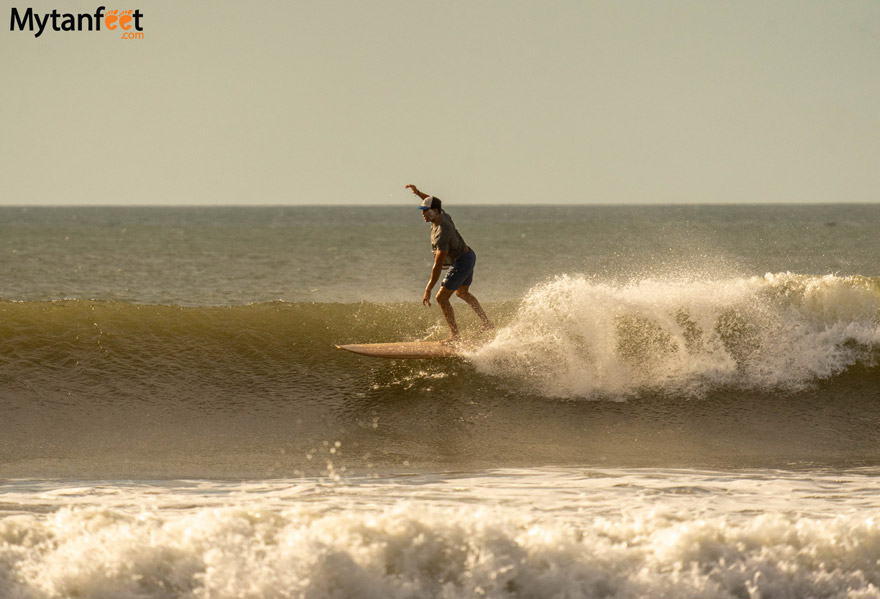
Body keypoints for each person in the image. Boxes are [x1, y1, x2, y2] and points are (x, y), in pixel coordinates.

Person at [406, 184, 493, 343]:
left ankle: (455, 336)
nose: (423, 214)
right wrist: (418, 193)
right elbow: (434, 202)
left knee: (441, 298)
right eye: (422, 210)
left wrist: (428, 289)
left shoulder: (442, 232)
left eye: (426, 211)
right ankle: (487, 323)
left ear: (435, 212)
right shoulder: (442, 213)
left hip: (463, 261)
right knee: (462, 293)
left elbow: (438, 265)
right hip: (469, 255)